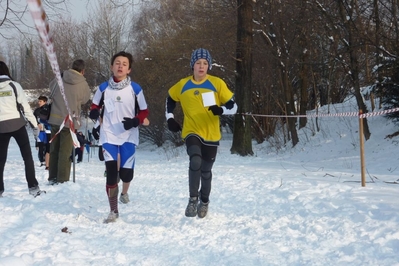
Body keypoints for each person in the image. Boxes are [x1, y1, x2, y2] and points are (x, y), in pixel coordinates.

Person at [165, 48, 237, 218]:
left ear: (209, 66)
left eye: (205, 63)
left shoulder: (217, 83)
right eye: (198, 63)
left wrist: (221, 110)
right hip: (191, 131)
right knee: (195, 159)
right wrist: (169, 118)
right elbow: (169, 99)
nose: (201, 66)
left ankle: (204, 201)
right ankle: (192, 199)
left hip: (211, 134)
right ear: (193, 65)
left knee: (206, 171)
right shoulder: (183, 85)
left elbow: (233, 106)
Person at [89, 51, 149, 223]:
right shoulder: (103, 88)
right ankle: (113, 211)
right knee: (111, 174)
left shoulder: (135, 88)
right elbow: (94, 106)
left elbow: (144, 111)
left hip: (128, 135)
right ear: (111, 67)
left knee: (126, 175)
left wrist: (135, 121)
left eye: (124, 64)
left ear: (129, 69)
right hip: (108, 134)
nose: (120, 66)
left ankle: (125, 190)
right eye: (117, 63)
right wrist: (94, 112)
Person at [0, 61, 44, 197]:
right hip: (18, 125)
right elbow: (25, 108)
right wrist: (35, 125)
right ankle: (33, 188)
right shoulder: (14, 86)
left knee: (1, 160)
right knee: (27, 158)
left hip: (1, 127)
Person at [48, 59, 91, 184]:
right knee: (65, 152)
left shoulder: (60, 77)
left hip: (55, 118)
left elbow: (51, 88)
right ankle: (62, 179)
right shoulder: (82, 83)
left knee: (54, 149)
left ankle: (52, 177)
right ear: (83, 71)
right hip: (69, 121)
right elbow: (85, 99)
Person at [33, 95, 51, 169]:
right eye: (38, 101)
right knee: (40, 146)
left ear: (45, 102)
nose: (39, 103)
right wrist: (37, 124)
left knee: (47, 146)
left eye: (40, 101)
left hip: (48, 130)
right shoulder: (37, 110)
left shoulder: (49, 108)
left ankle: (48, 162)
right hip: (40, 131)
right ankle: (42, 161)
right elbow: (33, 119)